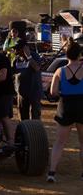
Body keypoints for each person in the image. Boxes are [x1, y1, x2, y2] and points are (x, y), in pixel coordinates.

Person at [47, 38, 83, 183]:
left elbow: (53, 92)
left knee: (59, 143)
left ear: (66, 55)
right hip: (82, 105)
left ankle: (51, 173)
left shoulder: (60, 70)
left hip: (65, 105)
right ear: (79, 54)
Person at [13, 40, 42, 120]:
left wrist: (29, 56)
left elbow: (36, 68)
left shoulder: (34, 56)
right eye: (15, 49)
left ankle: (35, 131)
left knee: (35, 116)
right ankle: (24, 131)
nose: (16, 51)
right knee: (23, 116)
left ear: (25, 49)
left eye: (18, 49)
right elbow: (12, 74)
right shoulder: (16, 60)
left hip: (34, 92)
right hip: (21, 93)